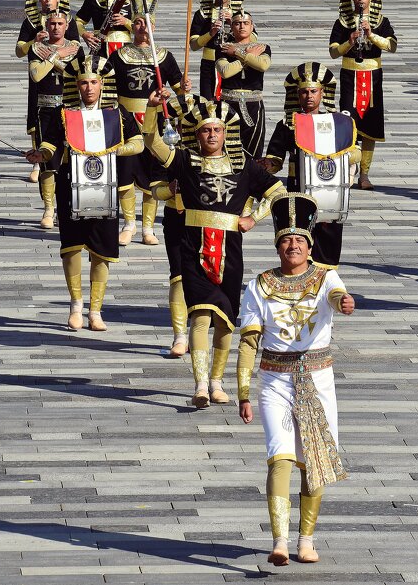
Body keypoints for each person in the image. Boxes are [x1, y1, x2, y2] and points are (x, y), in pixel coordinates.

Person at [142, 91, 286, 408]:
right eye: (206, 130)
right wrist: (152, 109)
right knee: (201, 316)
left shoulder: (244, 165)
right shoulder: (185, 160)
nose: (211, 135)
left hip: (231, 251)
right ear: (197, 133)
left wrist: (254, 217)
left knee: (226, 320)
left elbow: (278, 191)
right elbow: (152, 142)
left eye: (216, 129)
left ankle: (218, 382)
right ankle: (201, 386)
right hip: (194, 247)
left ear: (225, 133)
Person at [236, 194, 352, 567]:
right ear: (278, 245)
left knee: (313, 459)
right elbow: (250, 339)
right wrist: (242, 392)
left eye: (299, 240)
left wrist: (344, 301)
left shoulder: (325, 276)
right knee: (279, 458)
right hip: (274, 381)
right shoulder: (259, 285)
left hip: (317, 380)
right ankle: (280, 541)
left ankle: (306, 539)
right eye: (286, 240)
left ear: (309, 245)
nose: (293, 245)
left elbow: (336, 295)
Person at [27, 54, 143, 331]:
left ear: (102, 84)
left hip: (106, 185)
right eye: (83, 83)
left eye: (93, 82)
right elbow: (51, 145)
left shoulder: (117, 112)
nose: (89, 88)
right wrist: (41, 154)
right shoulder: (63, 114)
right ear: (75, 86)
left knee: (102, 251)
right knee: (72, 248)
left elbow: (138, 143)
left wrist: (116, 150)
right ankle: (76, 304)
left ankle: (96, 309)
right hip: (71, 185)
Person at [108, 0, 188, 246]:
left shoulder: (164, 56)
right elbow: (107, 87)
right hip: (126, 121)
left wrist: (183, 86)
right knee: (125, 172)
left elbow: (180, 91)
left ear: (154, 26)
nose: (143, 28)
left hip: (155, 122)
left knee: (155, 175)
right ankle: (129, 223)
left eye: (147, 23)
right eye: (138, 22)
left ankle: (148, 227)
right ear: (132, 25)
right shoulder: (120, 56)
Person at [263, 62, 359, 268]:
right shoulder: (288, 124)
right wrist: (267, 165)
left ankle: (326, 286)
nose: (309, 96)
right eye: (304, 92)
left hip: (330, 191)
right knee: (299, 239)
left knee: (327, 243)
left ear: (322, 93)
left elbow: (354, 153)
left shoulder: (337, 123)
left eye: (313, 91)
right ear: (297, 94)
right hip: (297, 191)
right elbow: (276, 158)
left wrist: (351, 156)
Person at [148, 91, 208, 357]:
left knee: (207, 276)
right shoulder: (171, 153)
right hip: (178, 217)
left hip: (208, 220)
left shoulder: (216, 151)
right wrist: (169, 190)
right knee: (179, 276)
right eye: (184, 123)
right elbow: (154, 189)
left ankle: (201, 331)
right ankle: (180, 335)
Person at [328, 0, 397, 190]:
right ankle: (349, 168)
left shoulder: (380, 21)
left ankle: (365, 173)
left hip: (373, 75)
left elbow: (392, 46)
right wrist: (348, 42)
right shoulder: (343, 22)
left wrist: (372, 35)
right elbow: (332, 52)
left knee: (371, 125)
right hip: (350, 74)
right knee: (349, 122)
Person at [16, 0, 81, 193]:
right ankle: (38, 159)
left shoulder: (67, 22)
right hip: (39, 77)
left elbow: (74, 54)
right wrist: (34, 43)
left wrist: (55, 55)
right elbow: (19, 50)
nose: (47, 1)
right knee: (38, 120)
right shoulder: (30, 21)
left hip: (65, 84)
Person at [28, 10, 86, 229]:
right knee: (47, 161)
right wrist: (57, 55)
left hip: (70, 109)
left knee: (71, 161)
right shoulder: (37, 48)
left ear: (67, 24)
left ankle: (67, 206)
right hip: (46, 110)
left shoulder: (76, 48)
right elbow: (37, 75)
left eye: (60, 23)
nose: (56, 28)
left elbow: (81, 76)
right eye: (52, 23)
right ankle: (49, 208)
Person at [215, 12, 271, 158]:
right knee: (228, 146)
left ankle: (252, 179)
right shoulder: (223, 48)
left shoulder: (262, 47)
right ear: (231, 27)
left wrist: (238, 53)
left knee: (254, 148)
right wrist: (247, 56)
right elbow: (226, 72)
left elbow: (263, 65)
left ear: (252, 26)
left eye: (246, 23)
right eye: (237, 23)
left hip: (254, 104)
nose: (242, 26)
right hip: (229, 103)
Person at [189, 0, 244, 100]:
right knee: (208, 103)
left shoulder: (240, 14)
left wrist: (234, 23)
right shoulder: (202, 14)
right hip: (209, 64)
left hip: (231, 62)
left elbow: (253, 38)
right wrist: (210, 33)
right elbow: (193, 45)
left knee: (231, 100)